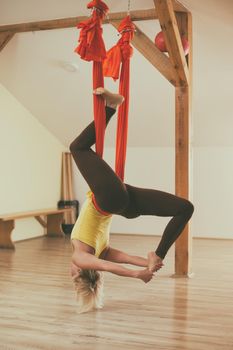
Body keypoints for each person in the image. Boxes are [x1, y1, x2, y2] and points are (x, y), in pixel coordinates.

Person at [70, 88, 194, 313]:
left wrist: (149, 264)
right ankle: (111, 107)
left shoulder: (101, 250)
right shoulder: (82, 257)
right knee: (77, 148)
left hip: (126, 204)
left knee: (185, 208)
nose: (71, 271)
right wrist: (138, 274)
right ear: (79, 272)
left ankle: (159, 253)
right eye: (73, 275)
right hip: (109, 199)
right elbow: (110, 266)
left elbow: (126, 258)